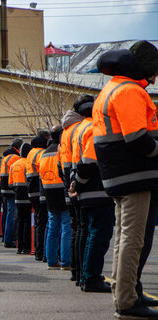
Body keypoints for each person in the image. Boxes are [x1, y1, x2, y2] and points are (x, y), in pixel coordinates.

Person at [93, 40, 158, 318]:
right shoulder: (129, 91)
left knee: (123, 238)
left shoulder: (111, 89)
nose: (155, 77)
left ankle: (124, 294)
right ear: (144, 67)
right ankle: (127, 302)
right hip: (134, 175)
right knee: (133, 240)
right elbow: (136, 138)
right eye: (154, 70)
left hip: (119, 176)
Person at [70, 99, 114, 292]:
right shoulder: (94, 128)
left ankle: (86, 276)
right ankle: (91, 277)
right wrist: (79, 183)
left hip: (87, 191)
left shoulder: (80, 128)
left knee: (90, 234)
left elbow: (77, 161)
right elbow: (89, 162)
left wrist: (75, 184)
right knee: (98, 235)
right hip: (96, 190)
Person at [59, 95, 90, 285]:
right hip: (77, 183)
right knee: (82, 229)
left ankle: (76, 271)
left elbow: (62, 162)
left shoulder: (66, 131)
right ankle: (81, 273)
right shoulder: (80, 129)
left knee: (75, 228)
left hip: (69, 182)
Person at [39, 125, 71, 270]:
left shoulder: (44, 153)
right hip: (61, 190)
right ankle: (66, 262)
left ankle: (51, 261)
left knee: (52, 227)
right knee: (66, 227)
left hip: (49, 192)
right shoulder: (61, 149)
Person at [26, 134, 49, 261]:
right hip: (39, 191)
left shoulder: (30, 154)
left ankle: (37, 250)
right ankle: (41, 252)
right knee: (43, 223)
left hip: (31, 191)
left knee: (38, 222)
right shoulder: (41, 153)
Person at [9, 143, 33, 254]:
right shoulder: (28, 164)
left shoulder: (14, 165)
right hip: (28, 197)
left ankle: (19, 247)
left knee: (20, 221)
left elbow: (10, 183)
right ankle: (27, 247)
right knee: (27, 222)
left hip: (17, 196)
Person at [0, 138, 23, 248]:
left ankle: (6, 237)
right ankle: (9, 239)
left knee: (7, 214)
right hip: (11, 189)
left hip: (5, 189)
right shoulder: (15, 157)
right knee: (12, 215)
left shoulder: (6, 157)